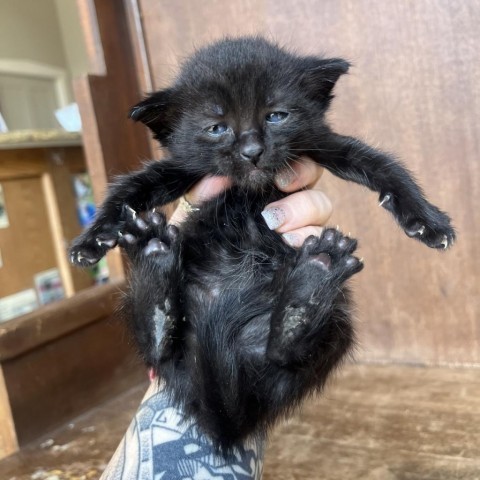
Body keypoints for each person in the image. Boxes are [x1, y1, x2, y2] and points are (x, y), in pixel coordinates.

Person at [100, 159, 331, 480]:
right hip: (249, 314)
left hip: (198, 323)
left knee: (176, 332)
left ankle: (164, 299)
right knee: (326, 321)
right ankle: (282, 330)